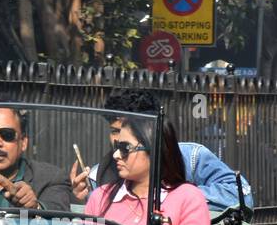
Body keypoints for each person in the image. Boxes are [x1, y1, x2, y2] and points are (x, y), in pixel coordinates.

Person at [70, 90, 253, 210]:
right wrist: (84, 201)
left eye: (126, 131)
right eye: (114, 131)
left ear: (150, 130)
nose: (119, 140)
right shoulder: (97, 176)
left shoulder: (191, 158)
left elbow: (240, 195)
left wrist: (172, 198)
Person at [81, 105, 211, 225]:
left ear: (154, 148)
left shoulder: (188, 198)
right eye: (117, 147)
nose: (116, 155)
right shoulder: (100, 197)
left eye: (125, 148)